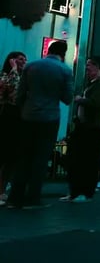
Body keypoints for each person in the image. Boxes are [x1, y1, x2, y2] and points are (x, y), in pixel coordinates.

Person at [6, 42, 72, 209]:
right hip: (49, 117)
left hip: (28, 115)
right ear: (63, 54)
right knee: (40, 158)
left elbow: (20, 93)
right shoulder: (65, 70)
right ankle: (33, 197)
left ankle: (15, 197)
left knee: (24, 156)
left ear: (48, 50)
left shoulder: (32, 66)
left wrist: (24, 108)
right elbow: (67, 98)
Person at [62, 56, 100, 203]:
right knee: (78, 158)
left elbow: (96, 103)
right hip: (85, 125)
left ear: (98, 67)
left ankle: (85, 191)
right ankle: (76, 191)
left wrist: (80, 100)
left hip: (93, 127)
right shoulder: (93, 84)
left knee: (88, 159)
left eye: (90, 66)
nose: (87, 69)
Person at [0, 51, 27, 205]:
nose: (23, 61)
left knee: (11, 156)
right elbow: (13, 91)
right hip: (6, 117)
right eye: (20, 59)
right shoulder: (6, 75)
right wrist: (14, 69)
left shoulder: (25, 77)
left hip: (18, 118)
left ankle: (3, 187)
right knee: (4, 154)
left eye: (25, 59)